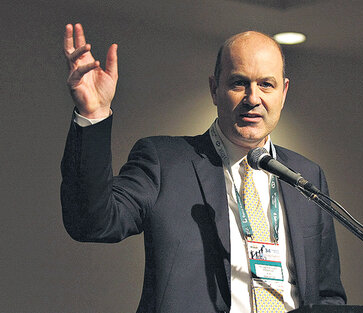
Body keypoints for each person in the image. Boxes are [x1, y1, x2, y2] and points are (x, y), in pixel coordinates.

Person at [61, 23, 346, 313]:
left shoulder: (307, 176)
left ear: (283, 92)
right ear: (214, 89)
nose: (252, 98)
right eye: (238, 83)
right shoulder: (164, 161)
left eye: (266, 84)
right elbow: (92, 222)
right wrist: (92, 115)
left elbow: (327, 293)